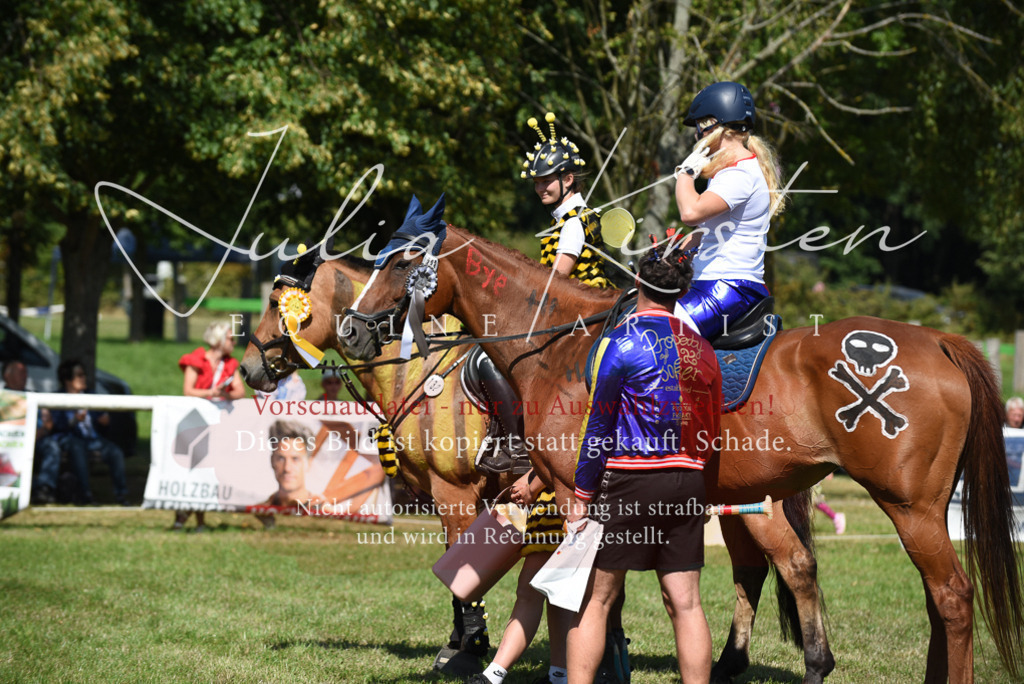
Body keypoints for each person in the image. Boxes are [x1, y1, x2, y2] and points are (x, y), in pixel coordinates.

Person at [566, 243, 721, 683]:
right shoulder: (703, 347)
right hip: (688, 479)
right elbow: (712, 429)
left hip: (632, 482)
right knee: (686, 603)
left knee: (596, 600)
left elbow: (598, 425)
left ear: (637, 284)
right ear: (682, 292)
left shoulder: (620, 341)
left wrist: (581, 495)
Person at [476, 112, 612, 475]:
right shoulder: (568, 218)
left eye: (546, 181)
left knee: (493, 359)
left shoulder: (572, 224)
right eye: (536, 182)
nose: (540, 189)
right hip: (580, 310)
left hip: (581, 316)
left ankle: (514, 443)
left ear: (568, 179)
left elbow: (556, 283)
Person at [673, 81, 787, 340]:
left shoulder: (738, 175)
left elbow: (690, 213)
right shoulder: (732, 171)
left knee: (657, 335)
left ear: (713, 126)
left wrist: (685, 174)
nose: (697, 136)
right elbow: (707, 233)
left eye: (699, 128)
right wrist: (669, 257)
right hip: (717, 284)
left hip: (727, 286)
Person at [469, 469, 570, 684]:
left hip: (557, 504)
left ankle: (493, 675)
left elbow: (562, 453)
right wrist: (529, 480)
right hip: (566, 500)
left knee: (529, 593)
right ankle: (559, 676)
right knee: (559, 598)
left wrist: (532, 487)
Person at [174, 321, 246, 531]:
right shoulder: (196, 359)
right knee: (193, 472)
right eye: (231, 338)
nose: (234, 342)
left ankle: (195, 520)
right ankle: (186, 518)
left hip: (218, 426)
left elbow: (240, 392)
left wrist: (224, 394)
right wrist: (210, 393)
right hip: (195, 425)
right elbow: (188, 390)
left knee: (207, 472)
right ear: (219, 340)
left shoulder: (230, 364)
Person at [39, 359, 129, 506]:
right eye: (79, 375)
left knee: (115, 452)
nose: (83, 378)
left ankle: (121, 495)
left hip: (93, 440)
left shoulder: (91, 396)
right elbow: (55, 427)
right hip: (68, 439)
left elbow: (103, 426)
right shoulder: (57, 398)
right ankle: (86, 495)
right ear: (67, 379)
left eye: (84, 374)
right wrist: (74, 421)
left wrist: (105, 423)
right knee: (78, 447)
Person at [260, 420, 321, 507]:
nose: (287, 468)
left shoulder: (326, 514)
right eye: (281, 459)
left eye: (295, 459)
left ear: (308, 463)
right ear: (272, 461)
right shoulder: (256, 514)